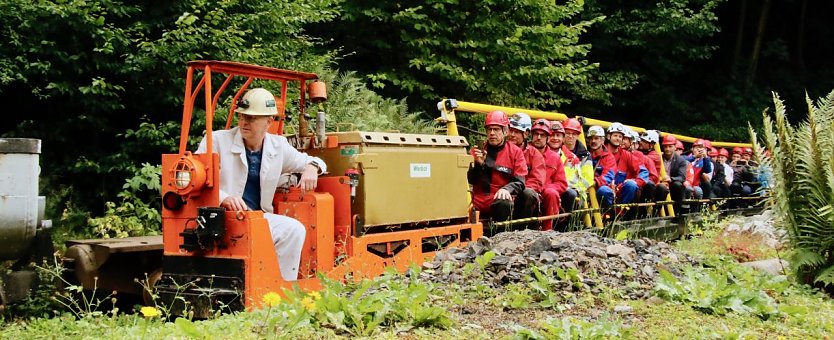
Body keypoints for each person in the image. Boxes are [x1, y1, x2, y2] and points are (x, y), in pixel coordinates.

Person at [196, 88, 326, 281]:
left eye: (252, 118)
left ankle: (281, 288)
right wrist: (224, 198)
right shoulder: (215, 141)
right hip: (222, 216)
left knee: (293, 229)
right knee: (291, 229)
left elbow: (315, 161)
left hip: (257, 217)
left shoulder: (278, 146)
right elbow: (198, 181)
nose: (244, 122)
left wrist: (312, 167)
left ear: (269, 121)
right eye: (241, 116)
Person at [468, 111, 531, 230]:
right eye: (489, 129)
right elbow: (469, 179)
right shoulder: (476, 152)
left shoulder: (515, 152)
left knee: (504, 202)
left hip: (501, 200)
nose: (492, 133)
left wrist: (507, 189)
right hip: (478, 201)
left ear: (505, 131)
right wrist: (479, 164)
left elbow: (520, 181)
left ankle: (503, 238)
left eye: (496, 129)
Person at [506, 113, 547, 229]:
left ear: (526, 133)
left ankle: (519, 231)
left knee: (528, 193)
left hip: (522, 196)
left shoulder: (534, 155)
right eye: (511, 130)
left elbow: (537, 181)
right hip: (501, 192)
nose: (512, 135)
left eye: (517, 132)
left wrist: (515, 190)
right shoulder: (499, 150)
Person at [529, 119, 569, 230]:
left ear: (547, 137)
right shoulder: (523, 153)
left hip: (546, 193)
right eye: (536, 134)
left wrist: (544, 188)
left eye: (542, 135)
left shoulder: (555, 157)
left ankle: (548, 229)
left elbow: (562, 183)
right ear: (531, 135)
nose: (538, 137)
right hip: (528, 191)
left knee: (551, 193)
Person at [587, 126, 617, 209]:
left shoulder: (609, 157)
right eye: (591, 138)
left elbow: (608, 176)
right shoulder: (585, 155)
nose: (593, 141)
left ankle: (607, 216)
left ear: (603, 140)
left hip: (600, 187)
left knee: (603, 190)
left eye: (596, 138)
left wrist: (595, 182)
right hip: (585, 186)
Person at [660, 135, 692, 213]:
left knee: (678, 185)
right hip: (659, 183)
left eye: (670, 146)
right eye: (666, 146)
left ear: (675, 147)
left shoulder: (681, 160)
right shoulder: (659, 157)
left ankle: (677, 212)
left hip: (672, 185)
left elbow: (682, 177)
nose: (667, 149)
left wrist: (670, 179)